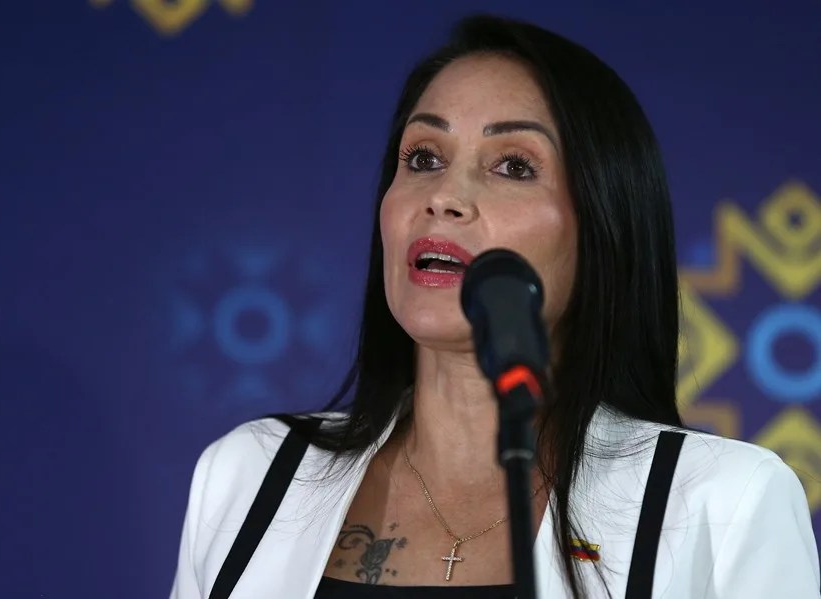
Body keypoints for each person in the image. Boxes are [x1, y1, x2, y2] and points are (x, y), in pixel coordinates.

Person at [169, 14, 820, 599]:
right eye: (423, 157)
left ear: (604, 227)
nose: (444, 196)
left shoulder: (724, 503)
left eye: (513, 165)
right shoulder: (249, 474)